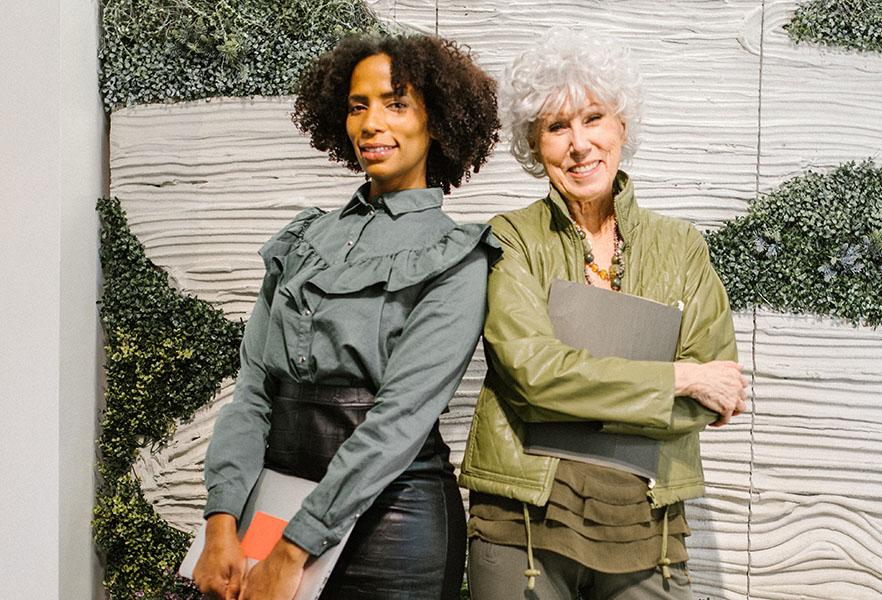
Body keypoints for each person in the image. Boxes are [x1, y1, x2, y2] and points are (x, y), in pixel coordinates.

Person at [193, 33, 500, 600]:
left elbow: (399, 421)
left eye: (396, 103)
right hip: (274, 504)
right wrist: (220, 521)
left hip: (395, 531)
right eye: (359, 105)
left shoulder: (458, 255)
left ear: (439, 121)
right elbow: (254, 393)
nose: (371, 123)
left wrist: (294, 548)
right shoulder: (302, 238)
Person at [459, 30, 747, 600]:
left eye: (593, 118)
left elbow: (714, 393)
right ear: (534, 143)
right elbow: (533, 376)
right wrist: (676, 376)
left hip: (647, 519)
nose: (579, 144)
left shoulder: (682, 245)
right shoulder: (510, 238)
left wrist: (579, 392)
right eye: (556, 126)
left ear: (622, 127)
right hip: (521, 519)